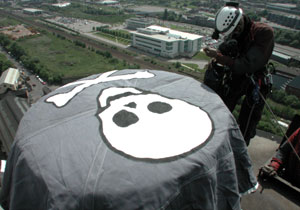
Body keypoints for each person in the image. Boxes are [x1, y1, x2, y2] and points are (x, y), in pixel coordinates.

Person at [203, 2, 274, 146]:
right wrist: (218, 56)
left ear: (239, 24)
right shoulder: (236, 31)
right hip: (236, 77)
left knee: (247, 123)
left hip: (255, 81)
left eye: (234, 32)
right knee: (221, 110)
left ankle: (240, 151)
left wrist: (219, 56)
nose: (233, 35)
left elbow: (246, 65)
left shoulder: (263, 33)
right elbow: (227, 50)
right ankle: (215, 140)